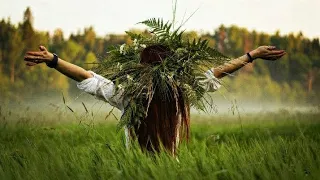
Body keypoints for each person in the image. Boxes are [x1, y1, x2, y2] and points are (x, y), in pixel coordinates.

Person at [24, 45, 286, 154]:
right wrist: (251, 55)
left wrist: (54, 61)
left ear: (142, 69)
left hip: (134, 173)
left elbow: (88, 77)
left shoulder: (129, 96)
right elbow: (216, 73)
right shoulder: (180, 92)